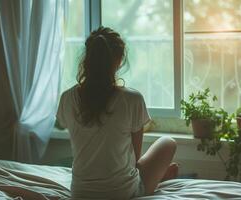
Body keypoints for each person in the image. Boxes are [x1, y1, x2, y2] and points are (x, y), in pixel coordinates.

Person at [57, 26, 178, 200]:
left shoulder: (67, 98)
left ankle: (157, 177)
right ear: (119, 60)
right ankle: (156, 178)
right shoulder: (132, 99)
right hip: (122, 193)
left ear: (87, 59)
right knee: (168, 142)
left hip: (80, 193)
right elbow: (135, 159)